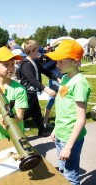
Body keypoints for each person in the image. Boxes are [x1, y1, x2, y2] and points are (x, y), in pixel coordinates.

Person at [46, 40, 91, 185]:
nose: (56, 65)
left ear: (76, 61)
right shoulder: (65, 77)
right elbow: (63, 107)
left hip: (70, 138)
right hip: (61, 133)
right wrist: (56, 128)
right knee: (63, 171)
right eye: (56, 61)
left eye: (61, 61)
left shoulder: (79, 84)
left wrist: (69, 146)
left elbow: (80, 119)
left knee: (71, 177)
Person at [19, 40, 60, 137]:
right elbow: (32, 79)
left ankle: (42, 130)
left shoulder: (35, 61)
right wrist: (46, 89)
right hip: (27, 92)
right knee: (26, 113)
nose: (39, 52)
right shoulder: (25, 64)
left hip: (33, 92)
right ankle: (14, 129)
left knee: (36, 112)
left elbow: (45, 71)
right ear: (32, 50)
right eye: (37, 50)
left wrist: (57, 78)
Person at [43, 58, 62, 128]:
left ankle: (45, 122)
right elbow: (45, 68)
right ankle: (45, 122)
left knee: (52, 101)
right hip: (56, 82)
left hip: (58, 81)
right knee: (62, 101)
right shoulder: (54, 60)